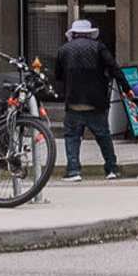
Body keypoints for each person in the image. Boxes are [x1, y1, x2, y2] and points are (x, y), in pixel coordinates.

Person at [54, 15, 120, 180]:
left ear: (74, 34)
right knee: (103, 136)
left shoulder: (63, 50)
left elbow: (58, 76)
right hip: (96, 102)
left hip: (73, 101)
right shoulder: (99, 47)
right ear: (89, 34)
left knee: (72, 137)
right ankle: (111, 169)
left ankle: (73, 170)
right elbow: (114, 68)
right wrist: (127, 88)